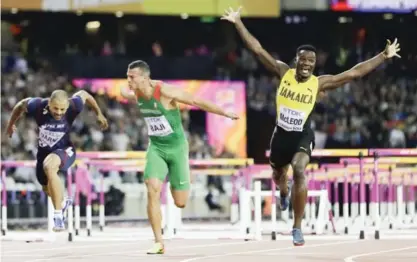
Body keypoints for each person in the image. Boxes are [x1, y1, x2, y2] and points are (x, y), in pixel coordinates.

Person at [222, 6, 401, 246]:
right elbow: (257, 49)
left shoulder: (319, 83)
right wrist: (237, 22)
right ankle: (283, 192)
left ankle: (297, 227)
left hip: (302, 136)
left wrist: (383, 55)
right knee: (278, 176)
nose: (307, 64)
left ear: (315, 64)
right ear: (296, 60)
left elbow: (353, 74)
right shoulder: (283, 71)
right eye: (304, 60)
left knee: (298, 169)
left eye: (312, 61)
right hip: (281, 136)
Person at [121, 60, 238, 254]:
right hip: (156, 148)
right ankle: (158, 242)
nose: (128, 80)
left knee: (180, 202)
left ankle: (182, 175)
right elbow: (125, 94)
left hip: (177, 149)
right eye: (127, 76)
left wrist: (224, 112)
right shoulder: (135, 92)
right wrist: (125, 94)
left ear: (145, 77)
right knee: (152, 188)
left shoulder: (165, 91)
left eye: (131, 77)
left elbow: (195, 101)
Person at [6, 90, 108, 231]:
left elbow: (85, 94)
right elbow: (20, 105)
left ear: (67, 106)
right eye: (55, 108)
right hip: (43, 153)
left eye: (62, 109)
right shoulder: (38, 105)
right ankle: (63, 201)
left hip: (65, 150)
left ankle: (58, 216)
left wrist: (99, 113)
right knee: (46, 187)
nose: (59, 112)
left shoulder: (74, 105)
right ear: (49, 103)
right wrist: (11, 124)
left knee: (50, 166)